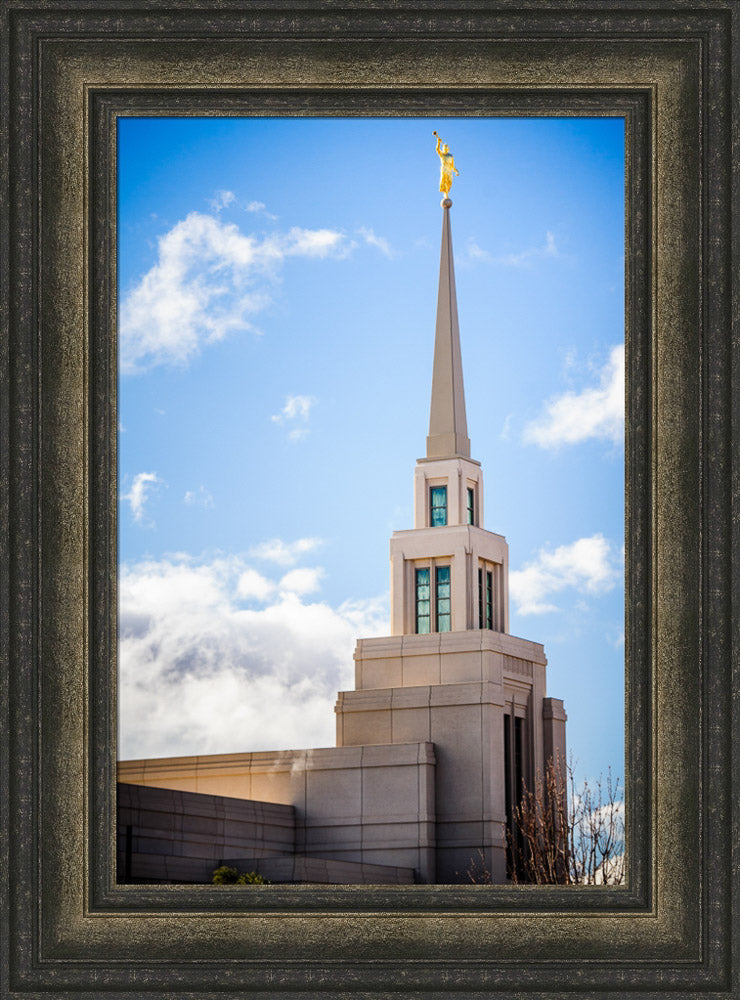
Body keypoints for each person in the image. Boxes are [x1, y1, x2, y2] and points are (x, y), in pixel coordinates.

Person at [433, 131, 459, 196]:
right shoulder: (442, 155)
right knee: (445, 181)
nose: (445, 149)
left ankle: (447, 193)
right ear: (443, 149)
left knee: (449, 182)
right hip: (444, 169)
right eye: (444, 148)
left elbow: (452, 166)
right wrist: (438, 142)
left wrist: (456, 171)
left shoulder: (451, 156)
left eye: (446, 148)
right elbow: (437, 150)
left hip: (449, 170)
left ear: (448, 149)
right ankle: (445, 194)